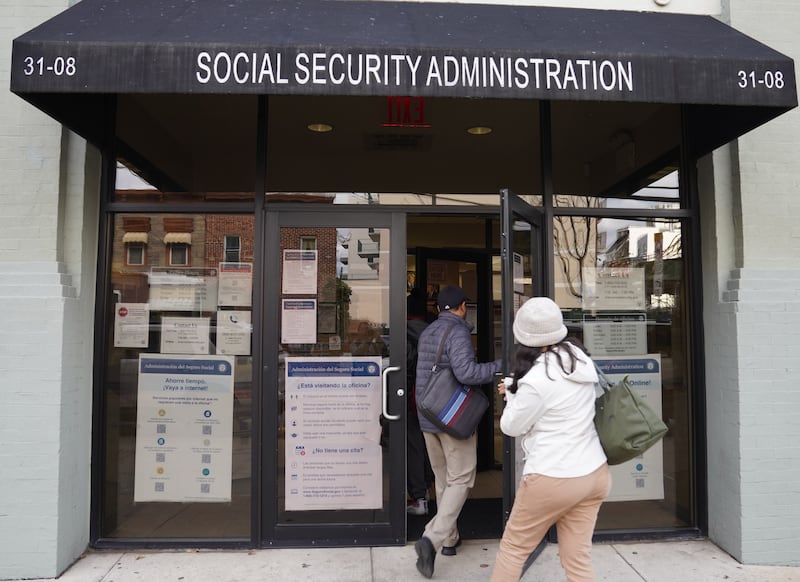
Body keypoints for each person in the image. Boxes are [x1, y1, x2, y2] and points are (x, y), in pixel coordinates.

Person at [490, 297, 610, 582]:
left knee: (513, 549)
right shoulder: (579, 358)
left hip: (553, 475)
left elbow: (510, 426)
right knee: (578, 559)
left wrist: (512, 395)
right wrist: (518, 390)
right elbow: (563, 398)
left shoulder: (535, 379)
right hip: (594, 472)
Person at [413, 285, 502, 579]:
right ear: (463, 306)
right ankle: (433, 538)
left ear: (440, 308)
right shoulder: (459, 332)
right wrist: (501, 366)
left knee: (443, 480)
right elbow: (467, 373)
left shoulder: (429, 331)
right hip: (452, 419)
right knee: (462, 478)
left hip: (429, 416)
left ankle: (450, 540)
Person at [406, 287, 435, 516]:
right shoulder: (433, 332)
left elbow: (404, 368)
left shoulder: (403, 333)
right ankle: (426, 487)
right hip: (434, 397)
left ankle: (418, 497)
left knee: (413, 445)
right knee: (428, 444)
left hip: (410, 396)